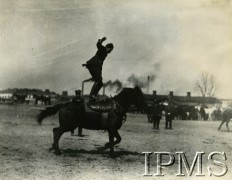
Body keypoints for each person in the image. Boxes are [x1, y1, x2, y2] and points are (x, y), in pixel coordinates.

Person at [82, 37, 114, 101]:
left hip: (96, 66)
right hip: (94, 66)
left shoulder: (105, 52)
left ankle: (93, 95)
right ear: (108, 47)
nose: (110, 51)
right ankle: (92, 95)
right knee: (99, 81)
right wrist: (101, 40)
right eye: (110, 49)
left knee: (100, 82)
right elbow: (98, 45)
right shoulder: (103, 49)